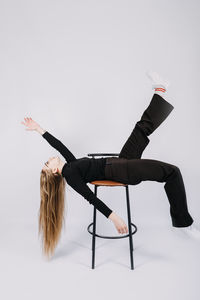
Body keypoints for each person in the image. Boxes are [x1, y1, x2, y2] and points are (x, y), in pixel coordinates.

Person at [21, 71, 200, 259]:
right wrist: (115, 218)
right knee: (172, 172)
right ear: (55, 171)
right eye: (47, 164)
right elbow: (91, 198)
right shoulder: (71, 176)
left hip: (120, 161)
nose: (49, 159)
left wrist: (38, 129)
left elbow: (59, 145)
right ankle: (183, 224)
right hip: (122, 171)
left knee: (141, 130)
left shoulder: (70, 165)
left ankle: (160, 89)